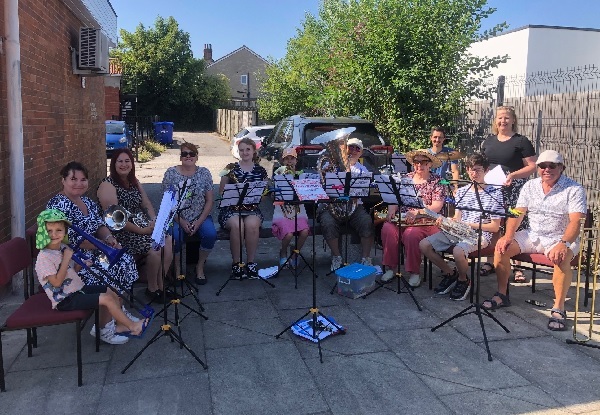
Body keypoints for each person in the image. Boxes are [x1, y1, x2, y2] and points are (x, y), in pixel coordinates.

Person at [484, 150, 586, 332]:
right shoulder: (530, 186)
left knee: (561, 257)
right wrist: (507, 236)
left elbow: (576, 221)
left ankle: (559, 307)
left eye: (552, 166)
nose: (547, 169)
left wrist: (563, 243)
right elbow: (517, 212)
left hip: (560, 236)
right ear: (537, 168)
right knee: (501, 248)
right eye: (542, 166)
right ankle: (502, 294)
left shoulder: (574, 189)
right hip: (533, 233)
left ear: (561, 168)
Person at [47, 161, 140, 331]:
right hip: (74, 261)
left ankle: (118, 311)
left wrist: (110, 238)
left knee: (125, 260)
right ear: (63, 180)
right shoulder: (57, 206)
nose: (78, 184)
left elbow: (99, 226)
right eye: (73, 179)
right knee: (111, 269)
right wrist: (103, 246)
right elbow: (70, 241)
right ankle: (105, 327)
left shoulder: (87, 202)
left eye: (83, 180)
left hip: (95, 251)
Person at [34, 209, 150, 344]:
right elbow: (57, 283)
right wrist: (66, 259)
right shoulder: (44, 257)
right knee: (106, 299)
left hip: (77, 289)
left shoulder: (61, 248)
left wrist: (82, 265)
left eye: (59, 230)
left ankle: (119, 325)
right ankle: (133, 327)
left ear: (65, 231)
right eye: (49, 231)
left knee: (110, 289)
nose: (54, 235)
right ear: (43, 232)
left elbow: (70, 272)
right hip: (65, 300)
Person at [419, 153, 503, 300]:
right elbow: (457, 217)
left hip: (481, 234)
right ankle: (450, 273)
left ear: (486, 170)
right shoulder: (462, 192)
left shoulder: (495, 193)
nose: (473, 173)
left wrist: (468, 224)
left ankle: (464, 280)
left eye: (478, 170)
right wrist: (446, 221)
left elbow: (495, 227)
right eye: (470, 169)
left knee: (458, 251)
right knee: (424, 244)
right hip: (460, 231)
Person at [98, 149, 173, 302]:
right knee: (155, 248)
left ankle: (160, 284)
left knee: (168, 239)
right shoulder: (107, 185)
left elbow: (146, 203)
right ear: (113, 164)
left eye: (127, 161)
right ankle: (152, 288)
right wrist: (142, 230)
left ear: (132, 164)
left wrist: (153, 220)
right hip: (121, 234)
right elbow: (115, 220)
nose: (124, 164)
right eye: (120, 161)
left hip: (141, 228)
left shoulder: (134, 181)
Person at [480, 106, 537, 281]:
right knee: (494, 222)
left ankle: (517, 266)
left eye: (506, 118)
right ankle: (491, 260)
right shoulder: (488, 141)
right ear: (495, 121)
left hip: (514, 190)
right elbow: (482, 164)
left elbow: (532, 166)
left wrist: (513, 175)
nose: (503, 121)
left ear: (513, 120)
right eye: (499, 118)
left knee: (515, 224)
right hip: (492, 189)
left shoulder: (521, 141)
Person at [380, 150, 446, 287]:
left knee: (412, 234)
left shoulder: (437, 181)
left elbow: (437, 206)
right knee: (387, 228)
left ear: (430, 165)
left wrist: (419, 212)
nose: (419, 165)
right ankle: (391, 268)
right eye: (416, 162)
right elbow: (395, 199)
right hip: (404, 219)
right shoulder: (405, 178)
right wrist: (392, 209)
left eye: (423, 162)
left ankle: (414, 272)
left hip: (426, 221)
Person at [162, 142, 216, 285]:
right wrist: (181, 221)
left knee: (210, 234)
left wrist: (198, 223)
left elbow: (210, 201)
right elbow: (168, 203)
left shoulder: (204, 173)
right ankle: (178, 269)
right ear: (180, 157)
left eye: (191, 154)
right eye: (184, 154)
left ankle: (199, 267)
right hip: (176, 217)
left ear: (196, 157)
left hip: (200, 216)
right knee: (175, 237)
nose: (188, 156)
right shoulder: (171, 173)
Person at [318, 137, 375, 271]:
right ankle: (337, 257)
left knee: (367, 222)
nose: (353, 151)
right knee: (327, 223)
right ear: (344, 149)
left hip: (354, 206)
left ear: (361, 153)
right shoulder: (331, 166)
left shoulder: (363, 171)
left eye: (357, 148)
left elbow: (365, 191)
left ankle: (366, 258)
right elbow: (320, 184)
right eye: (351, 147)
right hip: (332, 205)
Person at [218, 137, 268, 279]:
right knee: (237, 225)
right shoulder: (230, 167)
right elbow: (221, 192)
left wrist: (256, 196)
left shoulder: (261, 170)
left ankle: (251, 262)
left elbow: (264, 193)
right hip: (231, 209)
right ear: (238, 151)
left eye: (248, 149)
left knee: (252, 225)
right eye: (241, 150)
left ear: (253, 151)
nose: (245, 152)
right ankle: (237, 263)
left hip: (252, 208)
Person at [272, 148, 310, 268]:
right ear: (282, 161)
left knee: (304, 232)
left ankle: (295, 253)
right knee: (288, 234)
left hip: (299, 210)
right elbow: (273, 195)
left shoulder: (301, 175)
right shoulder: (278, 174)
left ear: (296, 160)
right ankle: (283, 252)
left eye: (292, 158)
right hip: (282, 211)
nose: (289, 161)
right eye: (286, 159)